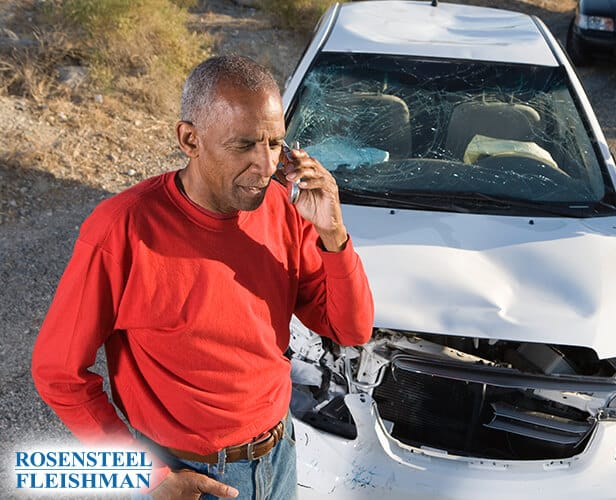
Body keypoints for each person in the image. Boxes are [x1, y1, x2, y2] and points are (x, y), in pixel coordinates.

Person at [31, 55, 375, 499]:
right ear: (190, 139)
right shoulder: (122, 229)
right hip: (186, 478)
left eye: (274, 144)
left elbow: (350, 329)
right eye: (244, 145)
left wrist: (333, 234)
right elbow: (58, 373)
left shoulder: (285, 210)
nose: (266, 164)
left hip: (280, 457)